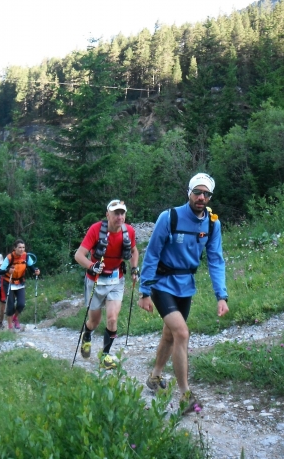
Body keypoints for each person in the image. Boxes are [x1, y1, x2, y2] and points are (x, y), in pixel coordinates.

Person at [138, 173, 229, 414]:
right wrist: (144, 290)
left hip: (185, 286)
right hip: (161, 283)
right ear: (188, 193)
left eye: (206, 194)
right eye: (197, 192)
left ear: (210, 196)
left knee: (170, 335)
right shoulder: (170, 217)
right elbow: (152, 253)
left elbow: (215, 260)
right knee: (182, 333)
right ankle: (186, 395)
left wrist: (222, 295)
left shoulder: (212, 223)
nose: (201, 197)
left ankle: (155, 377)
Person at [75, 199, 139, 370]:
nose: (119, 216)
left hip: (116, 279)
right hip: (95, 280)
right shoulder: (96, 230)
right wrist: (92, 266)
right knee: (94, 321)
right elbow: (79, 255)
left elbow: (133, 251)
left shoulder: (129, 231)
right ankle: (87, 334)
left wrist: (134, 269)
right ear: (107, 214)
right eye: (116, 213)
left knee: (112, 318)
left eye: (122, 213)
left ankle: (105, 356)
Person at [0, 239, 40, 330]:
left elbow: (31, 267)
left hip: (20, 282)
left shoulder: (26, 256)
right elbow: (0, 271)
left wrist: (36, 271)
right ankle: (10, 325)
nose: (21, 249)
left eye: (23, 247)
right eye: (19, 247)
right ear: (15, 248)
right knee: (10, 304)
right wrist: (8, 270)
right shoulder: (10, 257)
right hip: (8, 282)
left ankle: (15, 317)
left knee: (21, 304)